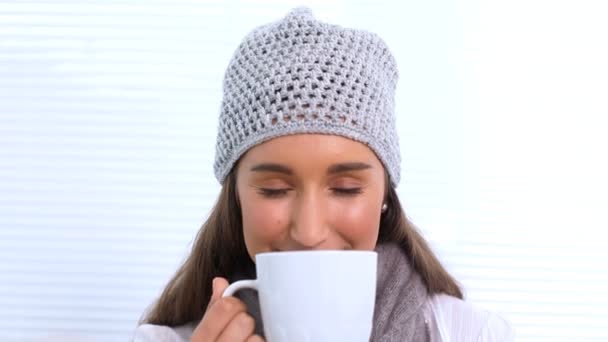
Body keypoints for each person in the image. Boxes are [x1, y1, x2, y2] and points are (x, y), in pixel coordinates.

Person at [133, 7, 513, 342]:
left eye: (346, 189)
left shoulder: (472, 334)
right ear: (236, 196)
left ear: (384, 195)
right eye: (274, 189)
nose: (310, 232)